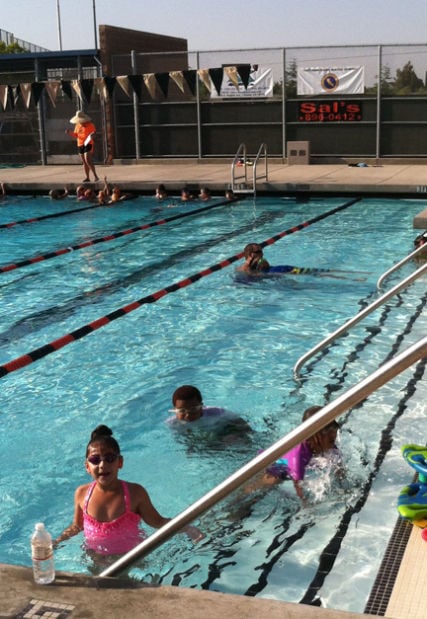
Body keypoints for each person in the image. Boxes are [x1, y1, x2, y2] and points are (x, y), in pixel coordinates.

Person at [55, 425, 202, 554]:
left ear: (120, 462)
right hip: (95, 556)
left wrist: (187, 529)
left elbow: (158, 522)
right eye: (95, 460)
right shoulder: (81, 493)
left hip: (130, 557)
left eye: (110, 458)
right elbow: (77, 526)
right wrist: (56, 542)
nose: (102, 464)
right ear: (87, 466)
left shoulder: (134, 493)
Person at [245, 406, 342, 501]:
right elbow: (297, 484)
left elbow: (339, 466)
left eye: (333, 440)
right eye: (330, 440)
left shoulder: (327, 444)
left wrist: (342, 480)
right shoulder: (300, 454)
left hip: (287, 463)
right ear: (316, 438)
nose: (333, 444)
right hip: (276, 471)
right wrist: (305, 502)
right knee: (254, 492)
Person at [236, 242, 367, 280]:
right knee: (313, 273)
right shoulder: (244, 267)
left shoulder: (261, 261)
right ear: (250, 254)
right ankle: (351, 278)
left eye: (261, 251)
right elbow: (249, 274)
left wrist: (263, 266)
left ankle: (349, 275)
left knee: (315, 271)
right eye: (258, 252)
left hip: (282, 269)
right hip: (280, 272)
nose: (262, 253)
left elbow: (265, 271)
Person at [167, 385, 252, 442]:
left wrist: (244, 433)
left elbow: (240, 421)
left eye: (193, 409)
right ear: (175, 409)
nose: (188, 414)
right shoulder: (173, 424)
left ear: (201, 406)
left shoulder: (217, 413)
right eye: (182, 411)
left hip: (225, 431)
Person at [65, 110, 99, 183]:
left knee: (88, 160)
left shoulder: (90, 125)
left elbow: (94, 133)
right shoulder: (77, 125)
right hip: (80, 144)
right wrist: (69, 133)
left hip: (88, 143)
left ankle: (95, 176)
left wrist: (92, 136)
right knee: (84, 161)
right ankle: (87, 177)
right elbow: (76, 135)